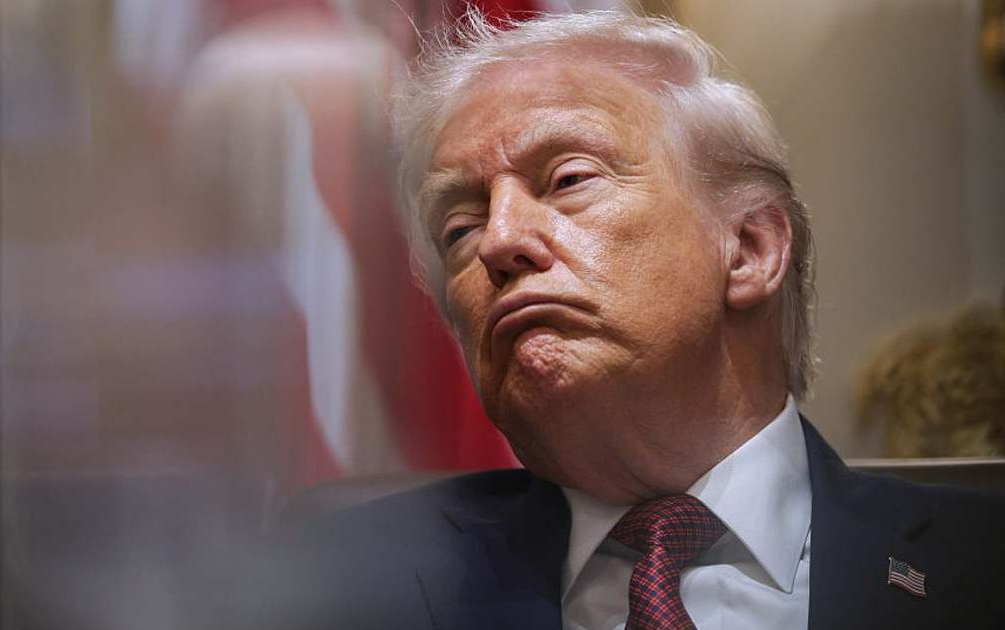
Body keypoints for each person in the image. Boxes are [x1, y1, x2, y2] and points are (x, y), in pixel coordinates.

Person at [249, 10, 1005, 630]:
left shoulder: (982, 566)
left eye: (569, 179)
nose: (500, 241)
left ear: (747, 249)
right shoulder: (336, 580)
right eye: (459, 228)